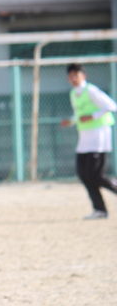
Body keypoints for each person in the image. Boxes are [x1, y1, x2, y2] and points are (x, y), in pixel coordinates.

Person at [60, 63, 117, 219]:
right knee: (84, 175)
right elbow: (79, 115)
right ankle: (100, 210)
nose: (73, 79)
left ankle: (102, 207)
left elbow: (112, 106)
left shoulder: (91, 90)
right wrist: (71, 121)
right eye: (71, 76)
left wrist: (93, 116)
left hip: (99, 137)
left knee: (96, 176)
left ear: (83, 76)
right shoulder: (74, 93)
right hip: (84, 139)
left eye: (76, 75)